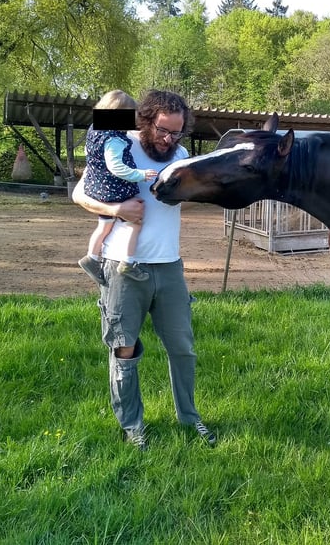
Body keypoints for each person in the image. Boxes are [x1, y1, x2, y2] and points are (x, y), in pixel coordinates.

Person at [72, 89, 216, 450]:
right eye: (164, 130)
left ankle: (189, 417)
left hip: (169, 267)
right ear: (146, 120)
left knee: (183, 348)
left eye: (176, 132)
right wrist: (119, 210)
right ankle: (132, 425)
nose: (169, 140)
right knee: (124, 349)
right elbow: (78, 194)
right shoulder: (117, 140)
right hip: (121, 267)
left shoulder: (180, 155)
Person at [78, 90, 157, 285]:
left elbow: (89, 153)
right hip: (114, 189)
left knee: (104, 225)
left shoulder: (94, 130)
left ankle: (91, 257)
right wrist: (140, 174)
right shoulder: (114, 139)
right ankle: (128, 263)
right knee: (136, 221)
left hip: (98, 186)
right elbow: (116, 167)